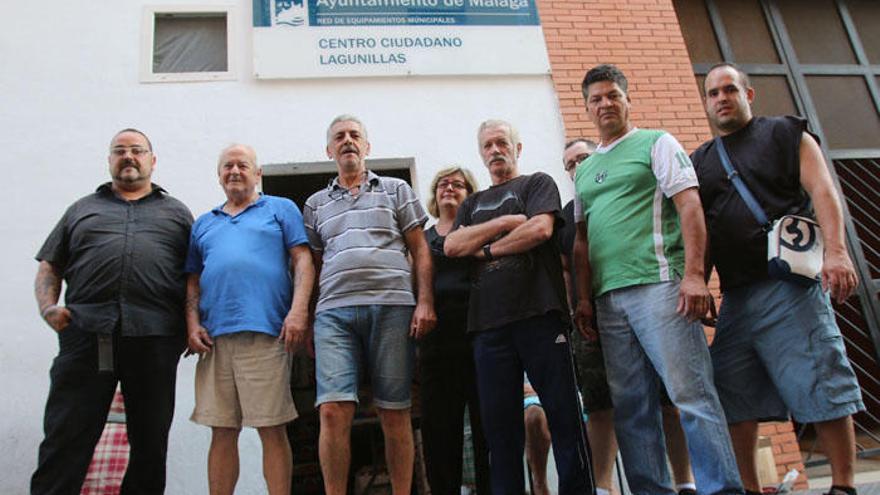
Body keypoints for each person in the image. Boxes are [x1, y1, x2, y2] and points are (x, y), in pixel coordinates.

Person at [692, 63, 864, 495]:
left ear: (749, 95)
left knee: (820, 378)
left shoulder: (786, 134)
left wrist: (837, 252)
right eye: (712, 93)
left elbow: (824, 189)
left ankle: (842, 485)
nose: (721, 98)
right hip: (737, 297)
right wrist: (700, 280)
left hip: (791, 287)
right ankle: (749, 488)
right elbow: (705, 230)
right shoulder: (703, 160)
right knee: (729, 392)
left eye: (730, 89)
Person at [571, 64, 743, 495]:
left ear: (627, 99)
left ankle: (721, 489)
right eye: (596, 98)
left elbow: (689, 207)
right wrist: (585, 299)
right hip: (609, 301)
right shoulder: (584, 169)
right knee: (631, 406)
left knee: (691, 396)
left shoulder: (657, 143)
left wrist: (696, 276)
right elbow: (582, 240)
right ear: (587, 108)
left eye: (613, 95)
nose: (605, 104)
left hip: (663, 287)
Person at [31, 128, 193, 494]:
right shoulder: (81, 209)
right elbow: (49, 266)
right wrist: (48, 308)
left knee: (150, 444)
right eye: (120, 151)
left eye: (137, 150)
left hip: (154, 339)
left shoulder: (178, 213)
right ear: (109, 161)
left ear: (153, 160)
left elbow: (194, 277)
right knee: (66, 434)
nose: (129, 156)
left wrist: (191, 326)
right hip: (86, 336)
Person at [444, 119, 593, 495]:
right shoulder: (472, 204)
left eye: (501, 143)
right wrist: (510, 221)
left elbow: (541, 230)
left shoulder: (537, 183)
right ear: (481, 153)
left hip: (541, 316)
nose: (495, 150)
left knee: (564, 417)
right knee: (500, 431)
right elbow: (452, 247)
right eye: (488, 145)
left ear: (517, 148)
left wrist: (488, 248)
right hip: (488, 327)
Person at [303, 115, 436, 495]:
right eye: (339, 137)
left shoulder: (396, 189)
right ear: (329, 150)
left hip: (393, 307)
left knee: (395, 411)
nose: (347, 141)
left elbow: (420, 250)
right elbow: (311, 265)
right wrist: (310, 315)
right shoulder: (314, 204)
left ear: (367, 146)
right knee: (332, 409)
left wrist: (424, 301)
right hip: (333, 314)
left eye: (354, 135)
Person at [562, 139, 697, 495]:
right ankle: (606, 488)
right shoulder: (567, 215)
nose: (578, 167)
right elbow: (566, 267)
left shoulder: (639, 187)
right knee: (607, 405)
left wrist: (691, 276)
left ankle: (686, 482)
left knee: (671, 400)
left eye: (583, 158)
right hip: (593, 318)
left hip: (653, 297)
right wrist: (578, 305)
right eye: (570, 164)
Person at [185, 144, 315, 495]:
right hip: (215, 339)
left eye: (243, 165)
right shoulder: (204, 223)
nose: (234, 171)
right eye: (227, 165)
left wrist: (298, 311)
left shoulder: (280, 209)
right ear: (219, 176)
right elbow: (193, 279)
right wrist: (192, 324)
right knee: (221, 429)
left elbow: (302, 260)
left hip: (266, 333)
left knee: (272, 428)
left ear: (258, 174)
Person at [419, 166, 491, 495]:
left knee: (487, 427)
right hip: (437, 345)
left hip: (481, 338)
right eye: (443, 184)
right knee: (439, 430)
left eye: (458, 185)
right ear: (435, 194)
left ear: (469, 194)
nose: (449, 188)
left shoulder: (481, 230)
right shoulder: (423, 239)